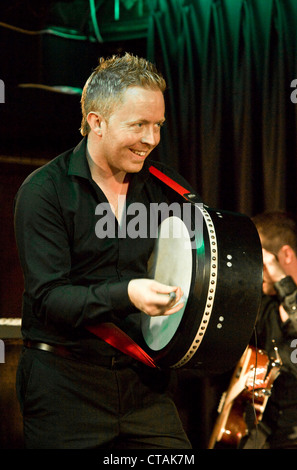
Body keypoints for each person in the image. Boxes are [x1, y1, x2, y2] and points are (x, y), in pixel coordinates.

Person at [14, 53, 194, 449]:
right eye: (139, 125)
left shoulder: (167, 189)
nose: (152, 139)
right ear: (97, 121)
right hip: (65, 386)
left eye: (158, 125)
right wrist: (128, 294)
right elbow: (49, 299)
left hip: (144, 386)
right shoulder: (45, 192)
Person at [242, 211, 297, 449]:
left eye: (261, 261)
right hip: (266, 435)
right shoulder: (266, 307)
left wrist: (280, 278)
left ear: (285, 254)